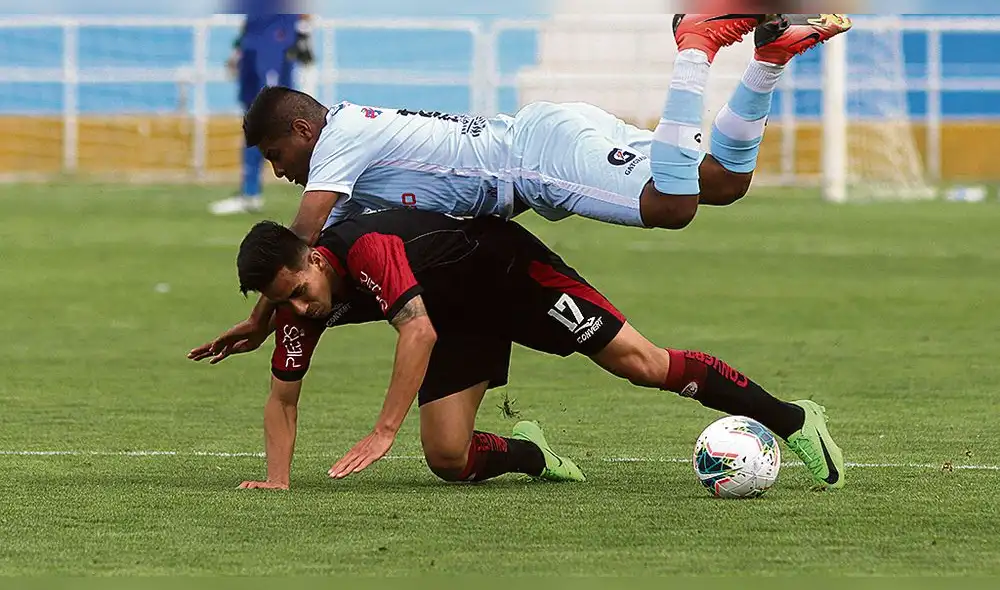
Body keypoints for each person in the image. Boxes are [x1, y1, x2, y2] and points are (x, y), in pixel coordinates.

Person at [200, 14, 852, 359]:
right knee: (723, 184)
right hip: (545, 135)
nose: (281, 169)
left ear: (304, 127)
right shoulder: (350, 139)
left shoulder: (338, 139)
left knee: (674, 205)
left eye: (278, 153)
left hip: (533, 160)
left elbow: (300, 239)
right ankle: (766, 58)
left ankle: (695, 44)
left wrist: (261, 319)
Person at [188, 208, 846, 491]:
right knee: (447, 459)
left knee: (643, 366)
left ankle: (793, 420)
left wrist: (384, 428)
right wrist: (276, 480)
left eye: (301, 291)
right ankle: (535, 454)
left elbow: (415, 331)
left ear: (311, 257)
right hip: (455, 315)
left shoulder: (365, 249)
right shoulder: (292, 306)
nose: (302, 310)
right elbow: (282, 396)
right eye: (286, 303)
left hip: (511, 275)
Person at [210, 12, 315, 216]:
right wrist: (240, 47)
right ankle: (249, 192)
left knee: (275, 112)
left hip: (276, 35)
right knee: (252, 116)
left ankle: (321, 190)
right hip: (254, 35)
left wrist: (303, 31)